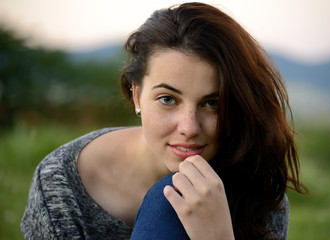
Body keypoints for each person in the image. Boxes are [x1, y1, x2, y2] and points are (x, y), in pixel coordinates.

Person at [21, 2, 307, 240]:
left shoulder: (255, 187)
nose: (189, 127)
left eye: (212, 103)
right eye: (168, 99)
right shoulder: (62, 186)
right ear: (136, 96)